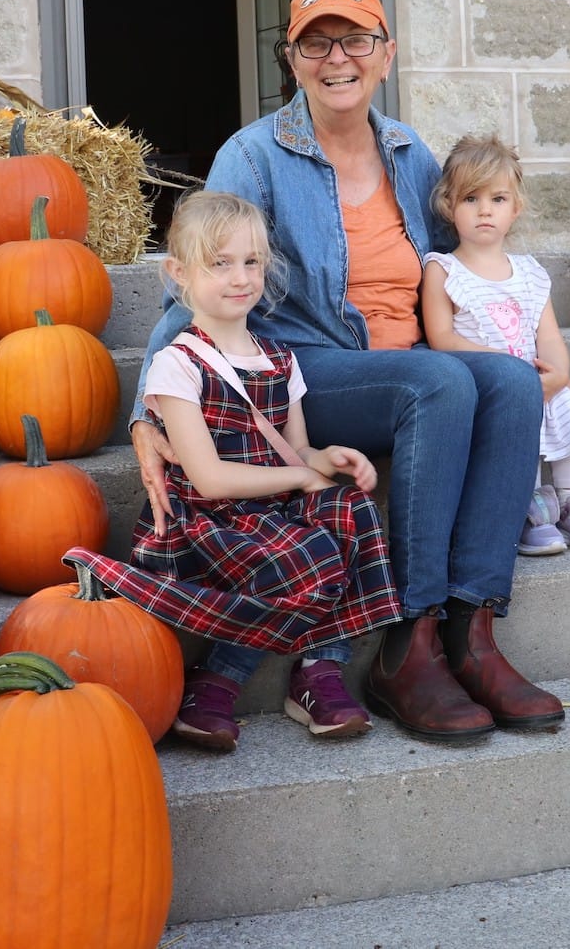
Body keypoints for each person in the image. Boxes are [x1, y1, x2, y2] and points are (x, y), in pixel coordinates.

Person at [127, 0, 564, 743]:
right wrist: (147, 414)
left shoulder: (409, 153)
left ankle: (473, 629)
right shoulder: (254, 157)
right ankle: (410, 640)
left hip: (423, 370)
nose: (338, 58)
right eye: (315, 43)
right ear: (291, 61)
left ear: (385, 54)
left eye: (356, 39)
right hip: (308, 374)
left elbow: (456, 260)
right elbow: (192, 285)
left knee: (511, 383)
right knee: (438, 380)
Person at [65, 190, 401, 752]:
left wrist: (329, 459)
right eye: (219, 263)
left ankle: (319, 670)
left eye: (251, 262)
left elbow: (297, 453)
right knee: (310, 555)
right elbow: (209, 480)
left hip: (269, 509)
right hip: (208, 521)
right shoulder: (178, 364)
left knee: (354, 509)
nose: (240, 277)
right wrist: (299, 478)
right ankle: (218, 678)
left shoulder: (280, 359)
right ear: (178, 273)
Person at [421, 135, 570, 556]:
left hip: (534, 378)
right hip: (487, 384)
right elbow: (443, 338)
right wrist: (512, 370)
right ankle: (529, 502)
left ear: (516, 207)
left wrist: (559, 372)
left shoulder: (529, 273)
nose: (485, 210)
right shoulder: (443, 270)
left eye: (497, 198)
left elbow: (547, 334)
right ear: (448, 206)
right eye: (470, 198)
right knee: (514, 414)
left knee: (562, 398)